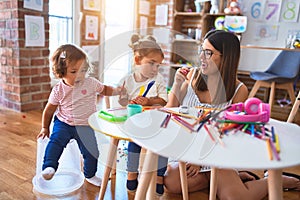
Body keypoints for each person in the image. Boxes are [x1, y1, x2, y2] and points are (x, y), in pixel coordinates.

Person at [164, 30, 300, 199]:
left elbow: (229, 133)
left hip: (217, 154)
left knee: (235, 198)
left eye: (209, 53)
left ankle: (270, 181)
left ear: (226, 57)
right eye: (202, 50)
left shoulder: (239, 90)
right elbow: (169, 111)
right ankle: (230, 179)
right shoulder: (190, 76)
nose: (202, 57)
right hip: (187, 151)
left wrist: (201, 160)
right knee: (170, 182)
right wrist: (177, 84)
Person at [37, 44, 123, 187]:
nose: (79, 75)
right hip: (64, 123)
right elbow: (49, 110)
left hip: (85, 125)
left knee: (92, 152)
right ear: (61, 72)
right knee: (55, 142)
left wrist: (117, 90)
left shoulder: (90, 83)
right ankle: (49, 167)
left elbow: (105, 89)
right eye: (74, 71)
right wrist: (45, 128)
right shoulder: (59, 90)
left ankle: (89, 174)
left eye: (83, 70)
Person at [118, 33, 168, 196]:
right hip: (136, 123)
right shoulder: (128, 80)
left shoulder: (159, 79)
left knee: (163, 145)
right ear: (138, 61)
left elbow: (164, 101)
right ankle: (132, 173)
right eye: (151, 63)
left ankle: (159, 177)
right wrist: (126, 101)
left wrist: (149, 101)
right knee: (134, 143)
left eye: (158, 65)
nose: (155, 69)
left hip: (155, 122)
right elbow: (121, 103)